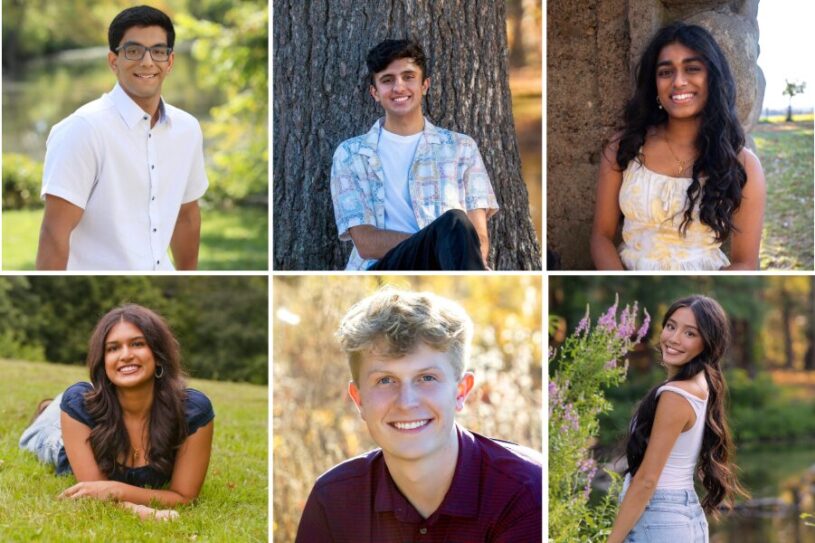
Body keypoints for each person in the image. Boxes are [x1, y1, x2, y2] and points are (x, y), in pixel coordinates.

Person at [295, 289, 542, 542]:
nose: (406, 402)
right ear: (359, 400)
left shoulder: (527, 493)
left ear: (461, 392)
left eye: (427, 378)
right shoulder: (333, 499)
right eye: (385, 380)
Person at [36, 5, 208, 271]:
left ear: (170, 61)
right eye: (133, 51)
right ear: (114, 61)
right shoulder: (82, 130)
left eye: (158, 51)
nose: (147, 62)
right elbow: (54, 236)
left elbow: (186, 217)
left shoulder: (188, 129)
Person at [591, 22, 765, 270]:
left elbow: (746, 263)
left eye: (692, 69)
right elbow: (601, 237)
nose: (678, 82)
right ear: (655, 84)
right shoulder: (623, 148)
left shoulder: (742, 165)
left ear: (712, 78)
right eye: (665, 72)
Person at [19, 304, 214, 521]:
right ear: (103, 362)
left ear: (158, 355)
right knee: (50, 429)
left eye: (138, 344)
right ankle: (51, 410)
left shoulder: (192, 410)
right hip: (59, 437)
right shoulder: (80, 404)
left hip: (88, 405)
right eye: (112, 348)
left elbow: (185, 496)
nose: (126, 355)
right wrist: (141, 511)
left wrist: (118, 490)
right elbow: (94, 491)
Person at [330, 39, 500, 271]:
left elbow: (478, 237)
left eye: (408, 77)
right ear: (375, 92)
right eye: (387, 80)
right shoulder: (350, 154)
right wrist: (438, 243)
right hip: (385, 267)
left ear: (424, 85)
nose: (399, 87)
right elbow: (365, 242)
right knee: (452, 225)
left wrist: (446, 247)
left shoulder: (461, 147)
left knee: (457, 223)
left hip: (451, 266)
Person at [608, 295, 746, 542]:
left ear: (707, 342)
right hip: (684, 515)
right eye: (671, 326)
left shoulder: (675, 395)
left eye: (690, 333)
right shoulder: (703, 382)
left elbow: (647, 480)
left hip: (659, 519)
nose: (673, 339)